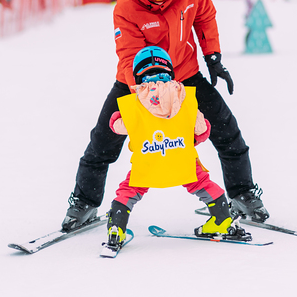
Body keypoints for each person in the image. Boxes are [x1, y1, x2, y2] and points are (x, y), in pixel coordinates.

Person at [62, 0, 269, 232]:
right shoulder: (127, 6)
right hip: (137, 82)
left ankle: (243, 193)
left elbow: (205, 17)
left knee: (226, 130)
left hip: (186, 74)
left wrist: (213, 57)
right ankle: (84, 202)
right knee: (103, 140)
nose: (161, 3)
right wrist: (153, 96)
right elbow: (129, 58)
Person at [104, 46, 245, 249]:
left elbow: (117, 126)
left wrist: (120, 117)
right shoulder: (184, 98)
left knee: (130, 189)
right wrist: (190, 138)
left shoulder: (135, 103)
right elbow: (202, 130)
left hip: (148, 162)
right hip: (182, 161)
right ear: (169, 71)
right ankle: (222, 219)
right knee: (202, 183)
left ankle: (117, 226)